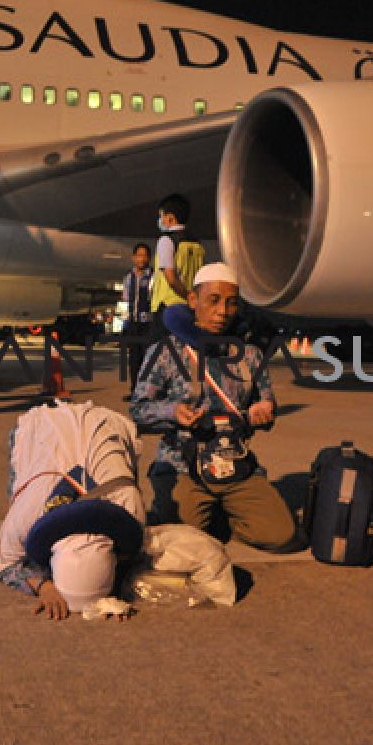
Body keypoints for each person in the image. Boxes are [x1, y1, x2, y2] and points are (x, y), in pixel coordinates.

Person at [129, 262, 299, 552]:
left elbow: (267, 401)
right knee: (185, 543)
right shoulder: (167, 351)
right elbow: (138, 410)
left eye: (231, 303)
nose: (222, 311)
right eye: (214, 300)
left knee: (281, 535)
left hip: (235, 464)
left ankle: (223, 512)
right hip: (183, 466)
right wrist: (172, 413)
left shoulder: (249, 355)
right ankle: (194, 510)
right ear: (193, 301)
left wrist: (265, 410)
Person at [0, 402, 146, 619]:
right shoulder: (26, 515)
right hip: (43, 430)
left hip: (105, 427)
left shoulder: (131, 508)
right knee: (16, 530)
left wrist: (113, 594)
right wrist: (45, 587)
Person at [149, 193, 204, 338]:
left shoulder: (166, 240)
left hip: (167, 306)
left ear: (170, 218)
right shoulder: (197, 244)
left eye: (161, 216)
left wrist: (186, 294)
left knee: (158, 352)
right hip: (190, 307)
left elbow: (170, 277)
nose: (160, 220)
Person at [120, 242, 153, 397]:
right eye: (139, 255)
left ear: (149, 258)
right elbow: (124, 300)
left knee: (147, 359)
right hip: (132, 323)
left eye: (145, 255)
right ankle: (134, 390)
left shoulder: (153, 277)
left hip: (147, 323)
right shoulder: (128, 277)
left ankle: (147, 392)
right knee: (134, 359)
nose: (142, 259)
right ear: (134, 258)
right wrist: (123, 324)